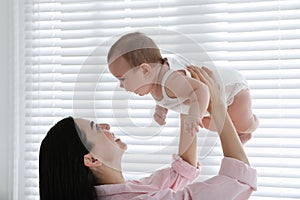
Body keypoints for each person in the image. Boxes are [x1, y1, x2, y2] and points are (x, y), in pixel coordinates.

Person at [39, 66, 257, 200]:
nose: (106, 126)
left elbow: (181, 172)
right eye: (96, 128)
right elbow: (237, 182)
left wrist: (188, 102)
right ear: (92, 158)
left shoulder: (125, 190)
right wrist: (218, 105)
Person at [107, 32, 259, 144]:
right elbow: (164, 98)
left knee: (242, 123)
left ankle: (252, 124)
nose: (121, 85)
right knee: (211, 124)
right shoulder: (154, 83)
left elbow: (201, 90)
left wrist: (194, 116)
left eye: (122, 79)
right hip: (211, 104)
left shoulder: (171, 79)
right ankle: (239, 135)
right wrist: (161, 109)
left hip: (232, 90)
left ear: (145, 70)